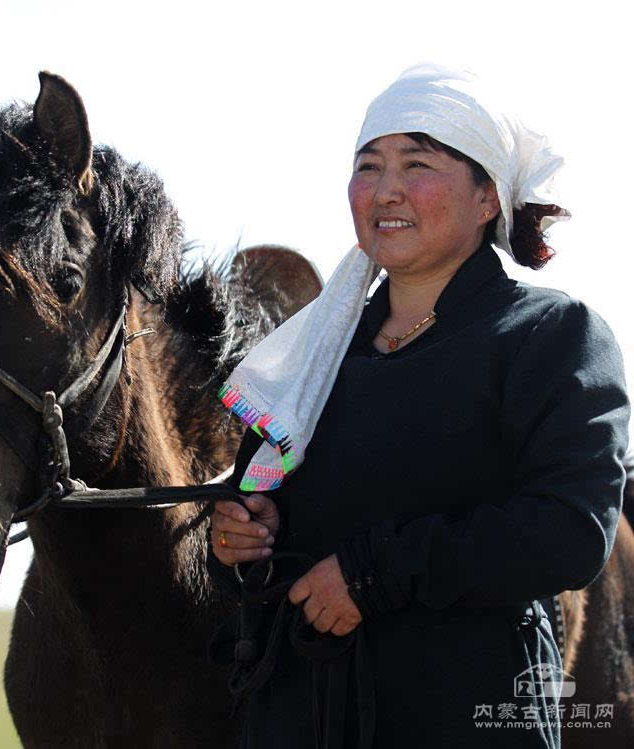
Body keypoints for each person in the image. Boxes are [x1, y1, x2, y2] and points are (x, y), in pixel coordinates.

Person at [206, 65, 630, 749]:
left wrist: (372, 575)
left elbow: (569, 532)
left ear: (488, 195)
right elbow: (256, 514)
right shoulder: (312, 356)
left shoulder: (552, 338)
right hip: (298, 718)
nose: (387, 188)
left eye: (417, 163)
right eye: (368, 166)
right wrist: (239, 535)